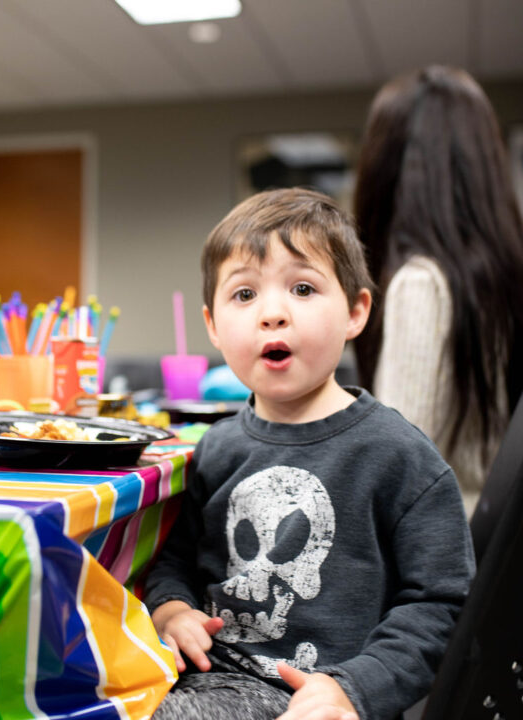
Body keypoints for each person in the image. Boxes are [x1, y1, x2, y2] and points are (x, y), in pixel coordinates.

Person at [144, 188, 474, 720]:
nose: (272, 313)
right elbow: (174, 560)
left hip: (313, 698)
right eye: (244, 295)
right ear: (212, 325)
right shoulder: (217, 448)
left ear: (355, 312)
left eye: (302, 287)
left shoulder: (399, 457)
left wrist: (355, 688)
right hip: (204, 675)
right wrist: (171, 608)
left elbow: (443, 604)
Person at [353, 65, 523, 516]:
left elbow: (391, 475)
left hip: (437, 555)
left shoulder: (422, 285)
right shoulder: (499, 275)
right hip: (483, 533)